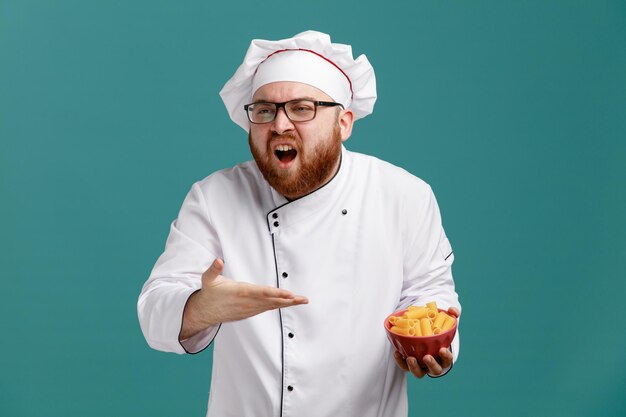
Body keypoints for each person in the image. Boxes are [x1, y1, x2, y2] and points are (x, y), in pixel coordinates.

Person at [137, 30, 461, 417]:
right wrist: (202, 307)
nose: (280, 125)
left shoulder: (404, 195)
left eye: (302, 108)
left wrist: (433, 349)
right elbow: (154, 310)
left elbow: (430, 296)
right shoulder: (214, 197)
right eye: (264, 110)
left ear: (344, 123)